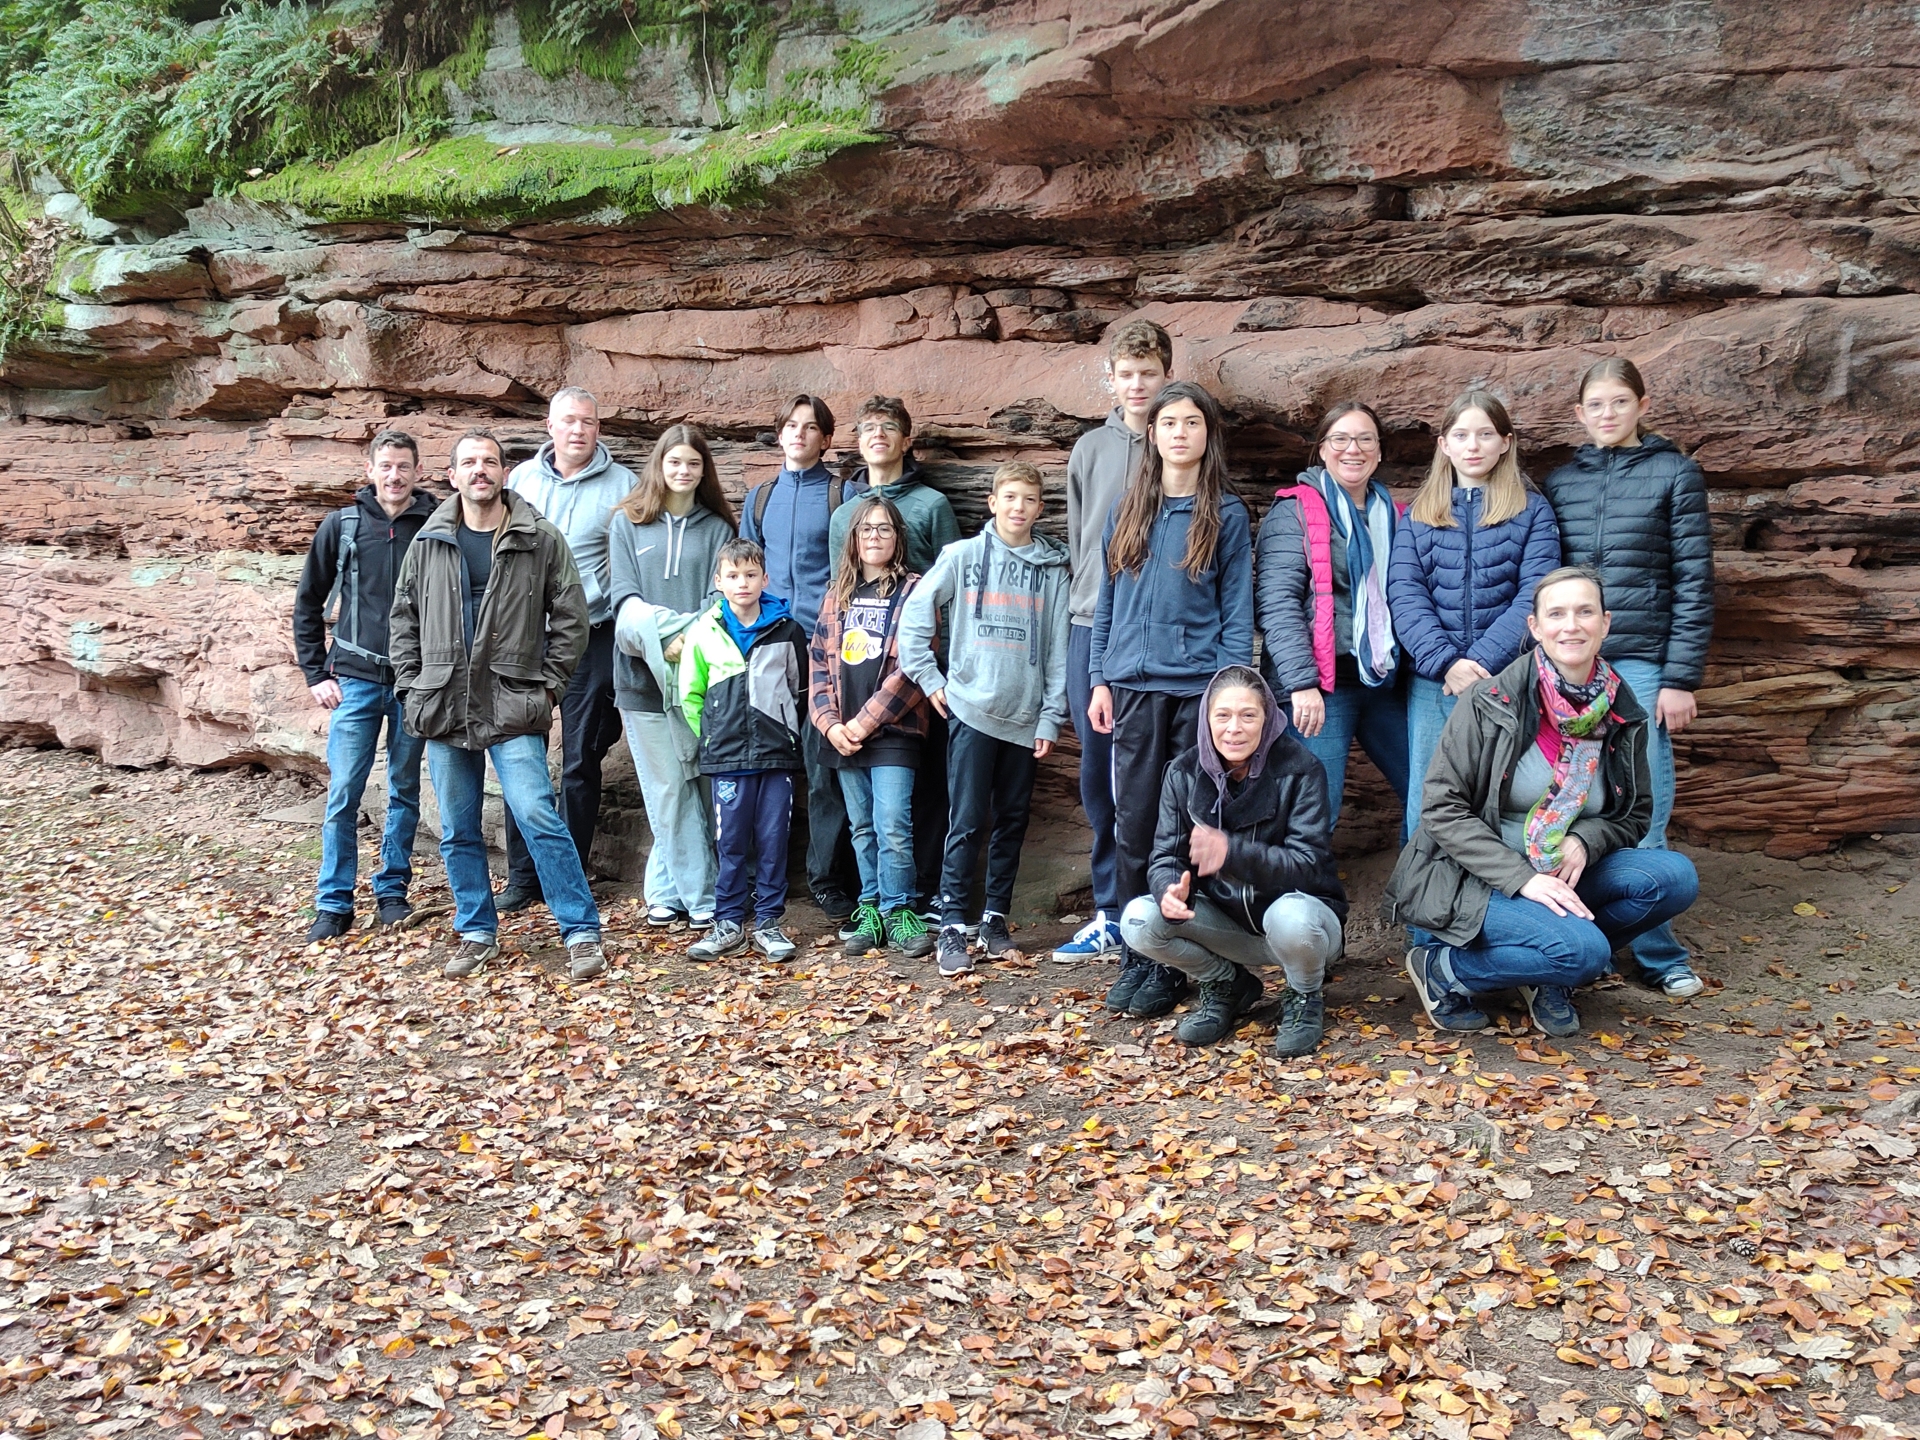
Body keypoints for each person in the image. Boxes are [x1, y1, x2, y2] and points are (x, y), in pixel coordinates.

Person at [1387, 568, 1701, 1037]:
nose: (1570, 625)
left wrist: (1584, 840)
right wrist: (1523, 880)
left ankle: (1547, 973)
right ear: (1535, 627)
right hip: (1479, 877)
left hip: (1562, 868)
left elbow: (1634, 815)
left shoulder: (1621, 706)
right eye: (1556, 614)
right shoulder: (1489, 700)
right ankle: (1443, 970)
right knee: (1586, 953)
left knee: (1674, 878)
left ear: (1605, 623)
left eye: (1584, 612)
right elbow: (1441, 809)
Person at [388, 430, 604, 981]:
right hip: (442, 701)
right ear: (452, 475)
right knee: (458, 827)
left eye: (489, 461)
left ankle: (580, 931)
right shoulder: (430, 541)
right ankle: (476, 930)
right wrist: (413, 686)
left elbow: (571, 620)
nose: (479, 470)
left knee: (536, 813)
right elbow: (404, 617)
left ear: (505, 473)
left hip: (512, 702)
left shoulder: (540, 538)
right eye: (468, 463)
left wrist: (547, 687)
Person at [1539, 358, 1713, 999]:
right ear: (1579, 413)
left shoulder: (1676, 474)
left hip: (1639, 660)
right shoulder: (1560, 481)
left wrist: (1680, 676)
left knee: (1645, 805)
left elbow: (1694, 581)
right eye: (1595, 404)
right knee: (1572, 804)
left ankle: (1660, 955)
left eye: (1619, 402)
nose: (1607, 414)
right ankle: (1590, 939)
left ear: (1642, 404)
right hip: (1570, 660)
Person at [1089, 381, 1255, 1019]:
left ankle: (1186, 960)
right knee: (1133, 826)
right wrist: (1101, 676)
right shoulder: (1129, 508)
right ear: (1151, 435)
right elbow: (1107, 601)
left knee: (1189, 829)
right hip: (1132, 688)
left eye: (1192, 423)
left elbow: (1236, 615)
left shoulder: (1228, 515)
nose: (1179, 433)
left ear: (1207, 435)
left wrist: (1230, 699)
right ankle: (1141, 953)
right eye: (1168, 424)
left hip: (1196, 693)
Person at [1119, 666, 1348, 1056]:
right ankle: (1226, 983)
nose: (1234, 728)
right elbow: (1165, 856)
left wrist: (1231, 853)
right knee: (1138, 920)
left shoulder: (1301, 769)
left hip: (1300, 926)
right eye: (1222, 715)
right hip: (1225, 924)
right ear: (1207, 718)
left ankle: (1304, 995)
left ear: (1268, 718)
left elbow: (1310, 864)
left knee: (1293, 918)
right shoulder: (1183, 772)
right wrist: (1168, 889)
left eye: (1248, 715)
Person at [900, 462, 1071, 978]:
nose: (1019, 507)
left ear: (1041, 509)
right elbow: (915, 615)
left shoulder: (1052, 571)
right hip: (972, 710)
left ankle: (995, 918)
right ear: (993, 502)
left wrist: (1050, 716)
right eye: (1010, 497)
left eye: (1030, 500)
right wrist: (931, 680)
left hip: (1025, 716)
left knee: (1012, 820)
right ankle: (952, 923)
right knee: (967, 819)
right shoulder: (963, 555)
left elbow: (1060, 648)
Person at [1390, 390, 1561, 843]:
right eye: (1461, 435)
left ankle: (1487, 897)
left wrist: (1482, 664)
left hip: (1506, 676)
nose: (1473, 445)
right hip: (1435, 681)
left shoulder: (1531, 509)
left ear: (1505, 442)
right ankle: (1421, 906)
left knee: (1498, 789)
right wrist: (1447, 663)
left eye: (1485, 434)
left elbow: (1535, 596)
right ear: (1444, 444)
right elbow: (1405, 594)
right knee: (1431, 788)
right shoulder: (1419, 515)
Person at [1058, 318, 1173, 965]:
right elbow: (1081, 543)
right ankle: (1109, 912)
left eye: (1148, 375)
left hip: (1155, 635)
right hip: (1088, 627)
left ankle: (1157, 909)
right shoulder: (1090, 450)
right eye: (1126, 375)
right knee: (1099, 774)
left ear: (1165, 377)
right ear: (1111, 378)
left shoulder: (1178, 442)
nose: (1136, 385)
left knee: (1156, 777)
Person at [292, 429, 438, 941]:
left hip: (412, 683)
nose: (394, 476)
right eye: (386, 466)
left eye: (403, 466)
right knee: (344, 793)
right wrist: (315, 673)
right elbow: (309, 601)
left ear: (418, 471)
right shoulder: (343, 525)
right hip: (353, 678)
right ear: (370, 469)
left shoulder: (436, 524)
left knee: (404, 789)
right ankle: (333, 903)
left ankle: (392, 892)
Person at [496, 387, 635, 914]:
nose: (578, 430)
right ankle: (521, 875)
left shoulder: (624, 485)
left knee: (580, 758)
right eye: (569, 421)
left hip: (592, 635)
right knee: (519, 756)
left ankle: (566, 873)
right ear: (549, 426)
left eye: (589, 422)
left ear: (599, 429)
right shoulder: (521, 481)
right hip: (523, 639)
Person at [827, 395, 960, 915]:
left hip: (920, 668)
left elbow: (953, 587)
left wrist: (938, 662)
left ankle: (919, 894)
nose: (877, 434)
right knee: (866, 807)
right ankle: (872, 901)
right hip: (857, 665)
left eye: (889, 427)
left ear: (908, 441)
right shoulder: (844, 514)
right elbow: (838, 583)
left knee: (918, 788)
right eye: (868, 427)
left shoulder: (932, 505)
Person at [1255, 401, 1409, 827]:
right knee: (1314, 808)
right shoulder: (1295, 511)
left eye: (1364, 439)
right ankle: (1299, 894)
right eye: (1340, 439)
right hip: (1320, 686)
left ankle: (1416, 893)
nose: (1352, 449)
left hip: (1383, 682)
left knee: (1430, 786)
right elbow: (1278, 603)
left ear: (1379, 452)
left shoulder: (1395, 517)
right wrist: (1301, 684)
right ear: (1322, 450)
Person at [609, 423, 736, 931]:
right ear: (658, 466)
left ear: (704, 471)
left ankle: (664, 890)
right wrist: (665, 641)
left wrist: (684, 641)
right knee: (667, 789)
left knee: (691, 784)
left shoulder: (718, 530)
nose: (683, 471)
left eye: (693, 464)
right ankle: (703, 896)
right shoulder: (627, 523)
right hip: (640, 680)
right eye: (674, 462)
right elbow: (623, 604)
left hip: (696, 675)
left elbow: (719, 603)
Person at [741, 395, 859, 922]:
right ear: (779, 433)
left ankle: (827, 882)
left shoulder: (843, 493)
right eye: (791, 425)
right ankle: (754, 878)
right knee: (760, 762)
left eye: (811, 428)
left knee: (823, 769)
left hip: (822, 647)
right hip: (767, 643)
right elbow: (741, 569)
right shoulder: (760, 497)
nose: (799, 435)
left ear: (826, 440)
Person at [810, 495, 933, 958]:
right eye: (867, 530)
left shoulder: (913, 591)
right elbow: (818, 668)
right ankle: (872, 908)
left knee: (893, 824)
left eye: (884, 529)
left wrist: (865, 722)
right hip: (842, 734)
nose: (875, 537)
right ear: (854, 539)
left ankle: (902, 909)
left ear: (897, 537)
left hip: (893, 732)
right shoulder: (836, 593)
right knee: (861, 826)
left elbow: (914, 666)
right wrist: (829, 724)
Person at [680, 539, 810, 963]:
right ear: (719, 581)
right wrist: (713, 736)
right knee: (731, 840)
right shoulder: (704, 631)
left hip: (776, 756)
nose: (743, 583)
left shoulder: (787, 630)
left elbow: (798, 689)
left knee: (773, 838)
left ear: (764, 579)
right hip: (728, 757)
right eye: (733, 576)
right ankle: (729, 921)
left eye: (751, 575)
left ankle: (769, 921)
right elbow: (690, 695)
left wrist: (788, 731)